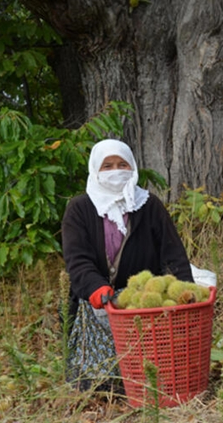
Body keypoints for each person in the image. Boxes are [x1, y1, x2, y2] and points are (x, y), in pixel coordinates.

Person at [61, 138, 195, 392]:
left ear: (132, 168)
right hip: (97, 301)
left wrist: (186, 290)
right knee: (97, 382)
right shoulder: (80, 209)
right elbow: (77, 259)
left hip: (143, 301)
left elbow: (173, 254)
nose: (115, 171)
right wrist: (95, 287)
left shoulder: (148, 206)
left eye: (122, 165)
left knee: (152, 373)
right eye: (107, 166)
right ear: (95, 170)